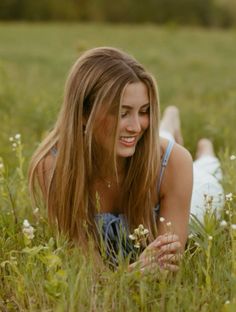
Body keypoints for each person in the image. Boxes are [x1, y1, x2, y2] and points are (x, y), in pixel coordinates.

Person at [28, 47, 223, 273]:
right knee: (147, 140)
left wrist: (138, 272)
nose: (137, 125)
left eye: (144, 111)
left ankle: (205, 149)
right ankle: (169, 124)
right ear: (83, 114)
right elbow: (86, 266)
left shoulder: (176, 162)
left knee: (207, 171)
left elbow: (167, 265)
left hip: (197, 196)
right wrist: (134, 274)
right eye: (122, 113)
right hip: (150, 152)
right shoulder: (54, 166)